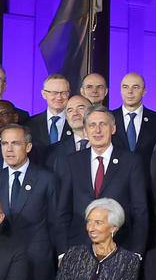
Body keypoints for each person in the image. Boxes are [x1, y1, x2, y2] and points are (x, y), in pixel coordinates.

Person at [0, 124, 61, 280]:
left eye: (15, 143)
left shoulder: (46, 178)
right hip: (2, 260)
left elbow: (56, 222)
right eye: (4, 144)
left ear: (28, 147)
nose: (9, 149)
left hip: (36, 259)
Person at [55, 105, 151, 255]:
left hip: (121, 246)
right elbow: (63, 211)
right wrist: (62, 252)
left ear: (113, 129)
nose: (97, 130)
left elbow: (140, 211)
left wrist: (137, 252)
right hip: (78, 247)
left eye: (103, 124)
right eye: (92, 125)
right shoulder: (72, 162)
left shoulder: (131, 161)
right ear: (85, 131)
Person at [112, 72, 156, 161]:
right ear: (120, 90)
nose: (130, 92)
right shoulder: (109, 118)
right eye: (125, 87)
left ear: (144, 91)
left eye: (135, 87)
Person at [26, 73, 73, 160]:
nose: (59, 97)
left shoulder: (75, 123)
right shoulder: (30, 124)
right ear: (44, 94)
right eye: (54, 93)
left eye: (63, 93)